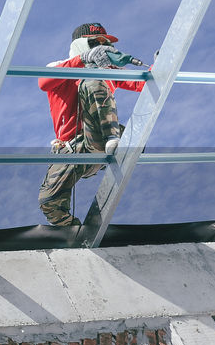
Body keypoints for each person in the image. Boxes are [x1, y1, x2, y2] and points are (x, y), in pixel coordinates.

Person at [37, 22, 144, 227]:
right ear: (81, 45)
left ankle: (115, 139)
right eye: (95, 43)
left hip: (98, 137)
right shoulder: (60, 67)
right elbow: (44, 82)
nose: (102, 48)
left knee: (93, 80)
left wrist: (162, 66)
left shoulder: (107, 72)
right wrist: (83, 60)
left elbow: (141, 84)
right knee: (49, 201)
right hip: (72, 149)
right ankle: (73, 232)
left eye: (106, 44)